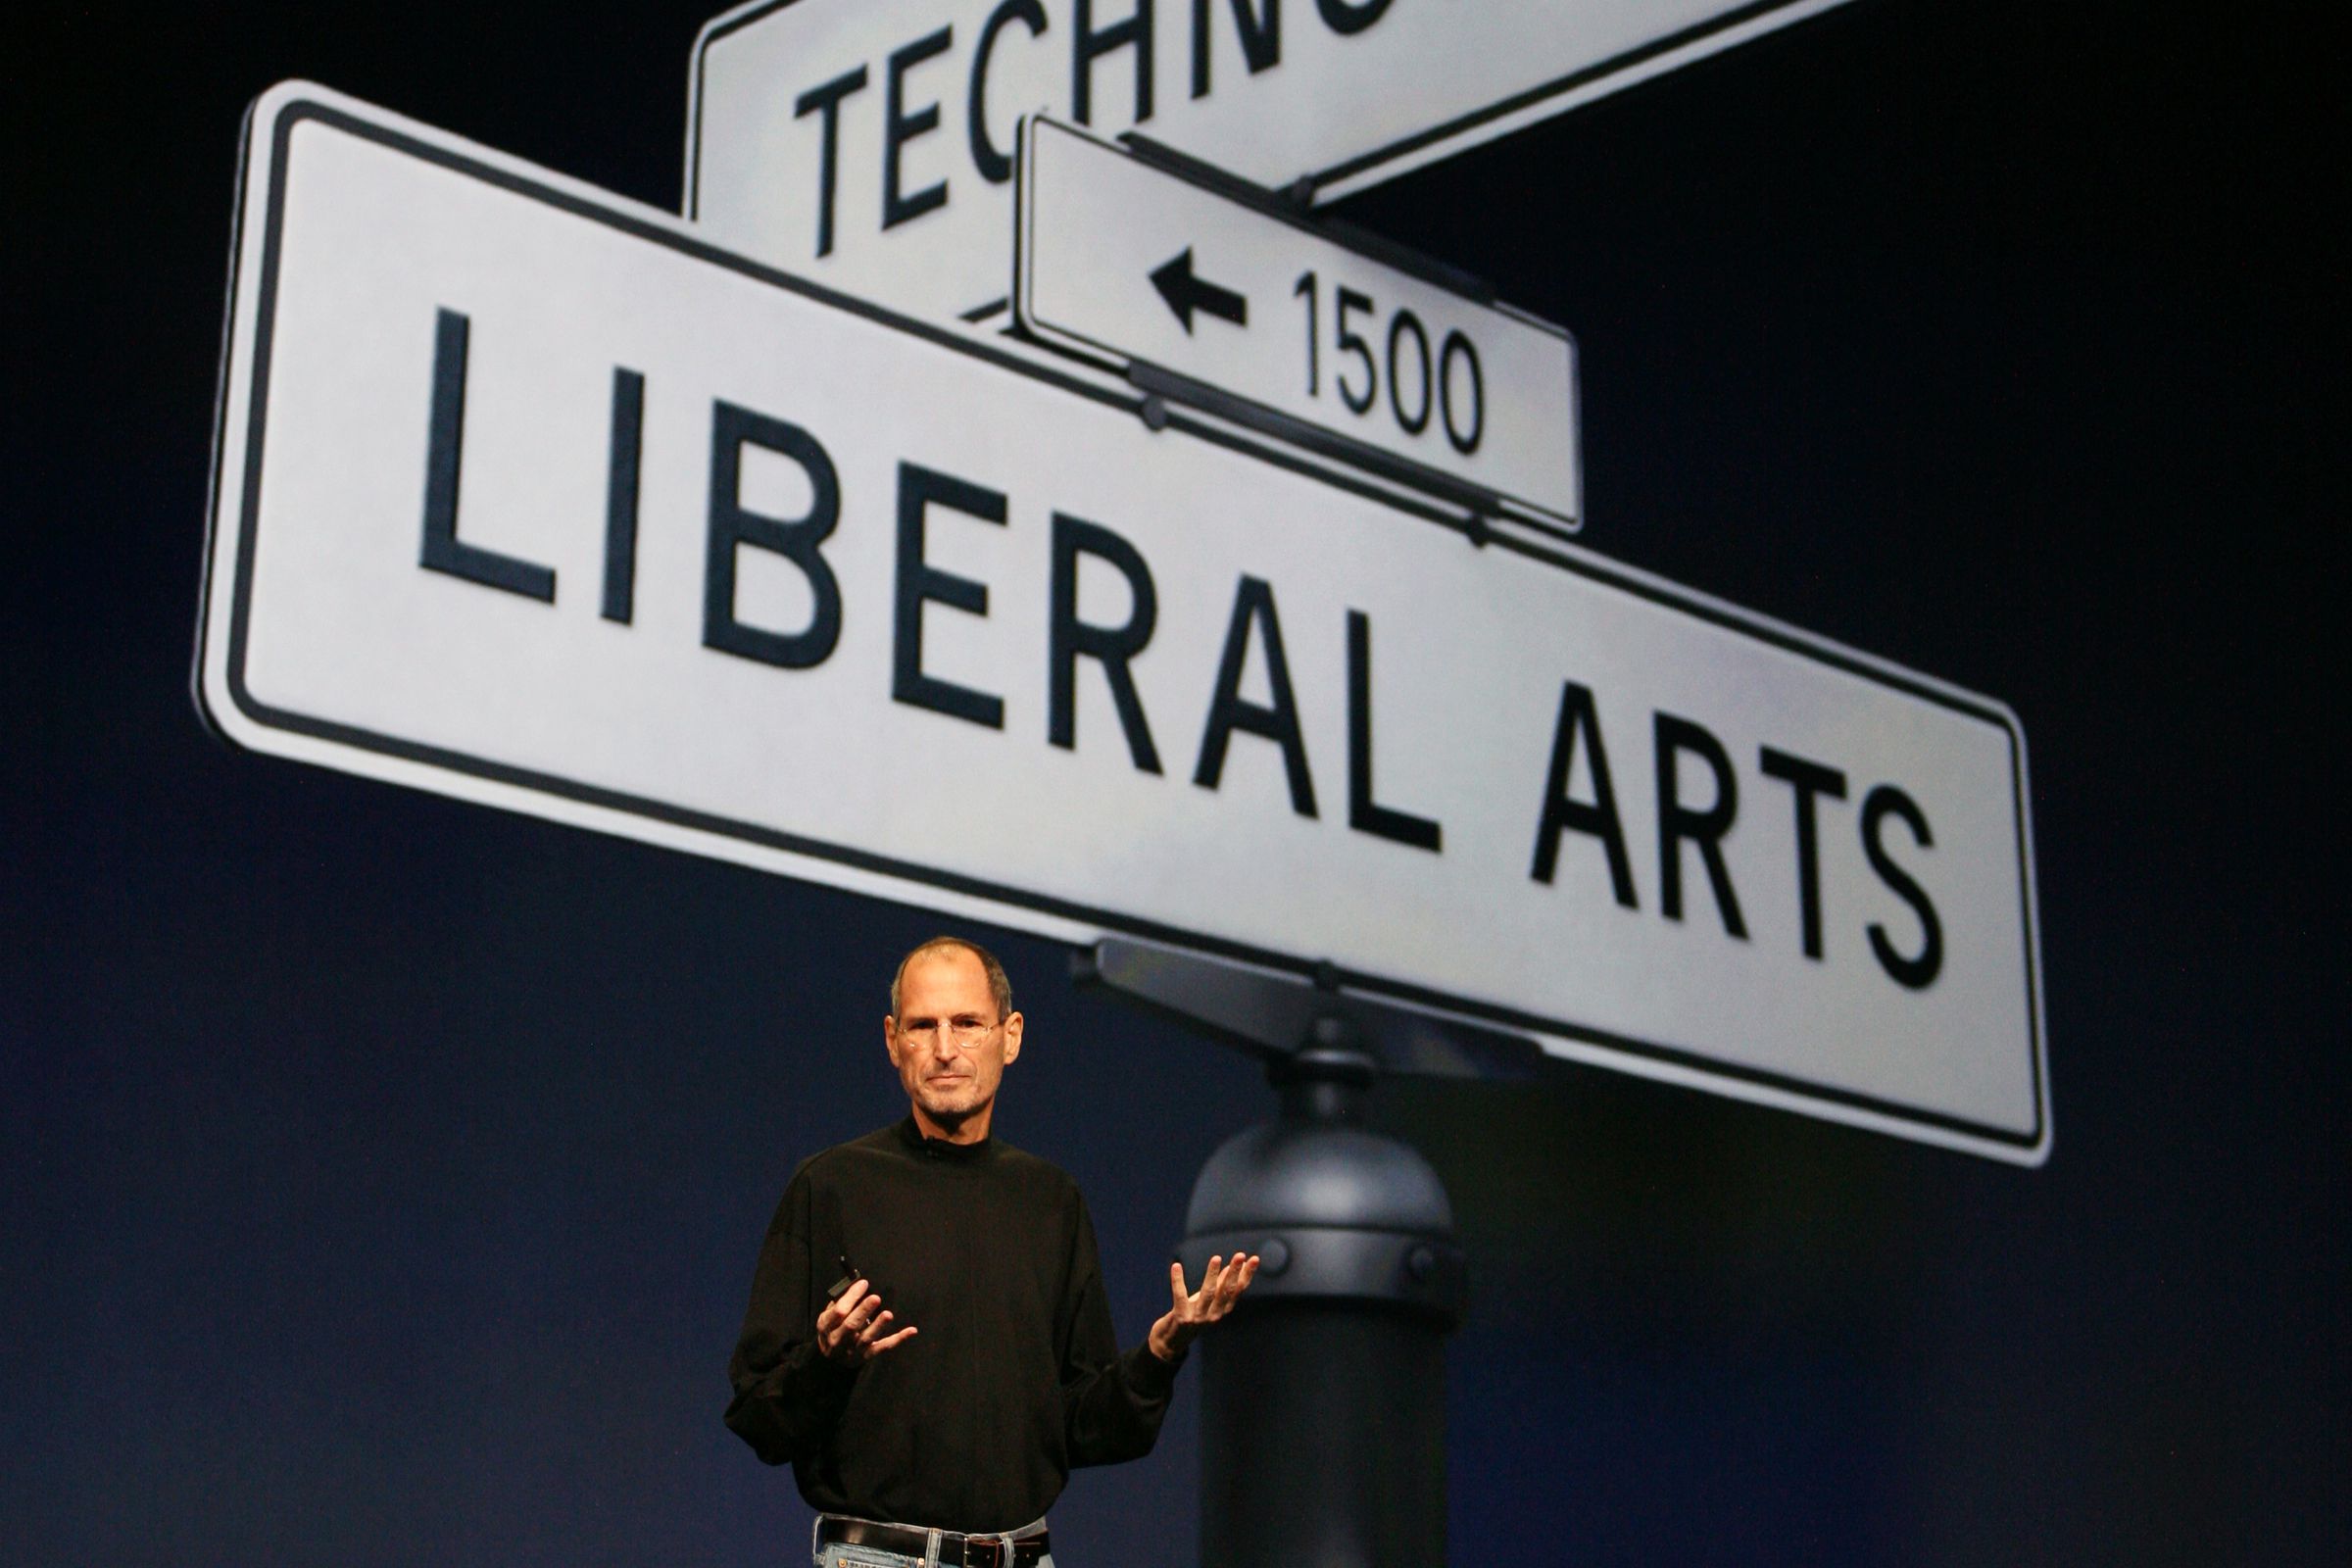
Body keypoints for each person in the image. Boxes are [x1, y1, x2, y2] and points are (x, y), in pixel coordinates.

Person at [725, 935, 1258, 1567]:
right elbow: (758, 1418)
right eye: (924, 1026)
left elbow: (1081, 1427)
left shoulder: (1050, 1200)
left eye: (968, 1024)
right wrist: (827, 1360)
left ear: (1011, 1035)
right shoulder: (831, 1187)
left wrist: (1161, 1353)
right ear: (893, 1041)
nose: (945, 1049)